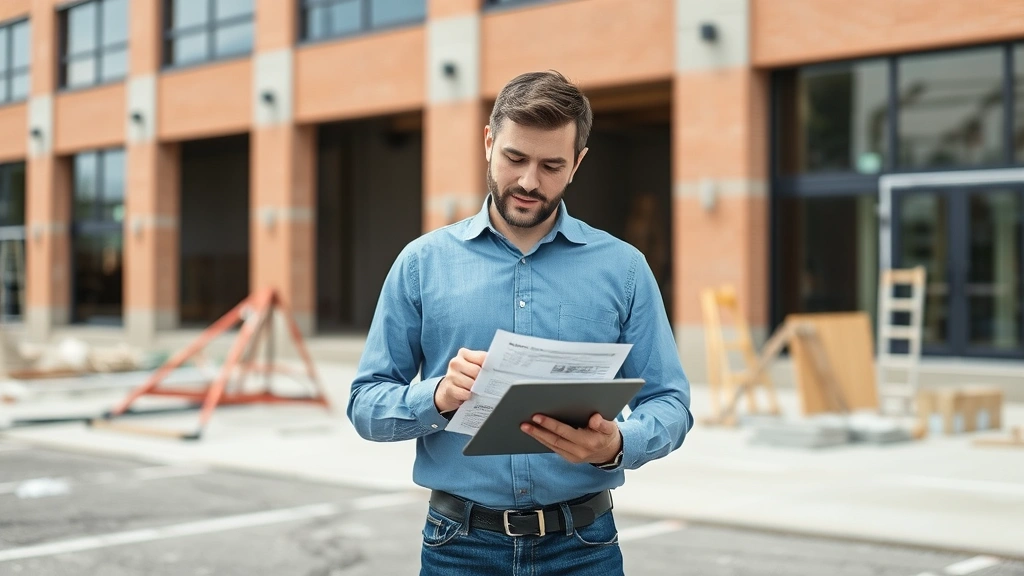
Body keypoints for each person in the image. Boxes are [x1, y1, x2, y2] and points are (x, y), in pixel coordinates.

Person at [347, 70, 692, 576]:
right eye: (515, 158)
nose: (530, 181)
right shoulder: (422, 264)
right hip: (459, 546)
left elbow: (671, 402)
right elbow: (365, 404)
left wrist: (618, 444)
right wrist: (437, 396)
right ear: (489, 143)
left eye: (552, 165)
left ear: (577, 163)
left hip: (584, 547)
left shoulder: (623, 269)